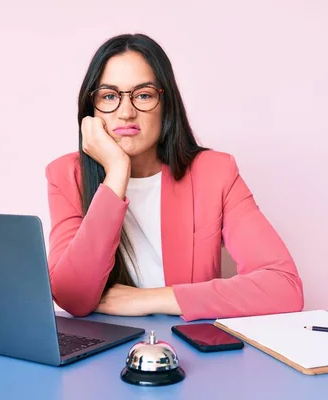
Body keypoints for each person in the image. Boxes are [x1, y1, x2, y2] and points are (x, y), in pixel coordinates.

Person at [45, 33, 303, 322]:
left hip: (185, 349)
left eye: (143, 95)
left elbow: (284, 287)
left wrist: (148, 299)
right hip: (102, 352)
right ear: (91, 108)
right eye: (109, 96)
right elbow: (72, 297)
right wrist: (116, 172)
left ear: (166, 104)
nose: (126, 112)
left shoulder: (215, 172)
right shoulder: (67, 175)